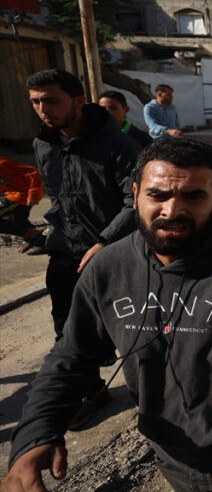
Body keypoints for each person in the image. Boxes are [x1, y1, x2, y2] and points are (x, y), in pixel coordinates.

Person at [3, 138, 212, 492]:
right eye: (157, 195)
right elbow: (71, 356)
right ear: (136, 194)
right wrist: (35, 435)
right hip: (169, 458)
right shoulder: (108, 268)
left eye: (194, 196)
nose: (172, 210)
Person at [27, 70, 141, 354]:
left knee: (127, 337)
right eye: (36, 102)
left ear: (79, 100)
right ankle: (80, 379)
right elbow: (58, 198)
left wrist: (104, 242)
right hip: (65, 255)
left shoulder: (119, 145)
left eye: (52, 101)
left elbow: (137, 202)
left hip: (113, 257)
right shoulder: (43, 144)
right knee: (67, 336)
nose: (43, 109)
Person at [0, 156, 45, 254]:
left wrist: (32, 195)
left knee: (15, 220)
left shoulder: (1, 164)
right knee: (17, 219)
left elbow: (33, 172)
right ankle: (44, 243)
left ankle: (30, 234)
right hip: (11, 194)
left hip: (22, 196)